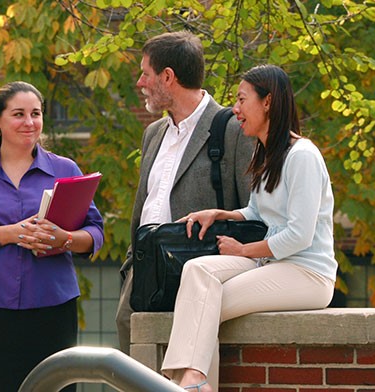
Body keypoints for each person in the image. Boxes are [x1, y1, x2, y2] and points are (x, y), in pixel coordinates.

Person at [162, 64, 337, 391]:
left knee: (205, 305)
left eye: (242, 100)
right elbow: (258, 212)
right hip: (272, 263)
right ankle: (193, 381)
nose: (235, 109)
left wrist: (243, 250)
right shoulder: (266, 152)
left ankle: (186, 383)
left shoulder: (303, 156)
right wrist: (219, 214)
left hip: (307, 273)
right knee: (198, 272)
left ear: (267, 102)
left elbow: (299, 235)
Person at [0, 81, 105, 392]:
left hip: (52, 305)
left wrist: (63, 239)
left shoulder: (65, 168)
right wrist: (9, 234)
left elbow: (95, 232)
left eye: (36, 113)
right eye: (18, 114)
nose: (29, 122)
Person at [115, 31, 254, 353]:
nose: (140, 83)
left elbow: (253, 208)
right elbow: (145, 207)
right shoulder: (153, 133)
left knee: (185, 369)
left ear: (168, 77)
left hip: (201, 270)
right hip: (144, 272)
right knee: (132, 372)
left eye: (145, 74)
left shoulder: (232, 128)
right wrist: (130, 266)